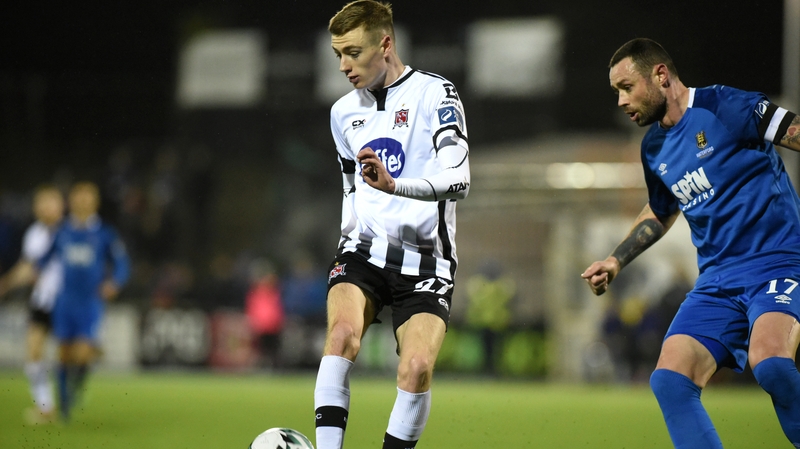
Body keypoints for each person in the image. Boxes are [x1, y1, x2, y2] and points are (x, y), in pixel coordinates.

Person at [581, 38, 800, 448]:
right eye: (616, 92)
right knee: (670, 380)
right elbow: (662, 210)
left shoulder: (727, 107)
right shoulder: (655, 148)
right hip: (717, 281)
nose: (620, 101)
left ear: (660, 75)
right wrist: (615, 260)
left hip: (779, 263)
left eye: (626, 87)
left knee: (770, 364)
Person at [314, 2, 470, 448]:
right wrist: (347, 235)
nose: (344, 65)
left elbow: (459, 179)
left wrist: (395, 185)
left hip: (426, 262)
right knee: (341, 336)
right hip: (362, 251)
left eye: (353, 52)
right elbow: (350, 186)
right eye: (337, 54)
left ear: (385, 44)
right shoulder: (343, 113)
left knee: (417, 367)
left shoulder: (435, 95)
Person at [39, 181, 131, 420]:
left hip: (90, 301)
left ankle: (79, 378)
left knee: (81, 352)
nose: (83, 201)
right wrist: (37, 274)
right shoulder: (62, 231)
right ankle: (65, 407)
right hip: (65, 300)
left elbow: (121, 262)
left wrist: (115, 282)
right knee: (64, 353)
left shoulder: (104, 233)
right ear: (72, 201)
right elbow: (44, 259)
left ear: (95, 202)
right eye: (79, 197)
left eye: (88, 197)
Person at [0, 185, 65, 424]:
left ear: (61, 206)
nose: (46, 207)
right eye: (42, 203)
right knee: (34, 351)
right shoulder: (34, 234)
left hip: (68, 301)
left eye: (52, 202)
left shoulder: (71, 231)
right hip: (43, 300)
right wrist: (6, 283)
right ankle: (46, 407)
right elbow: (28, 266)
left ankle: (69, 394)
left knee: (71, 354)